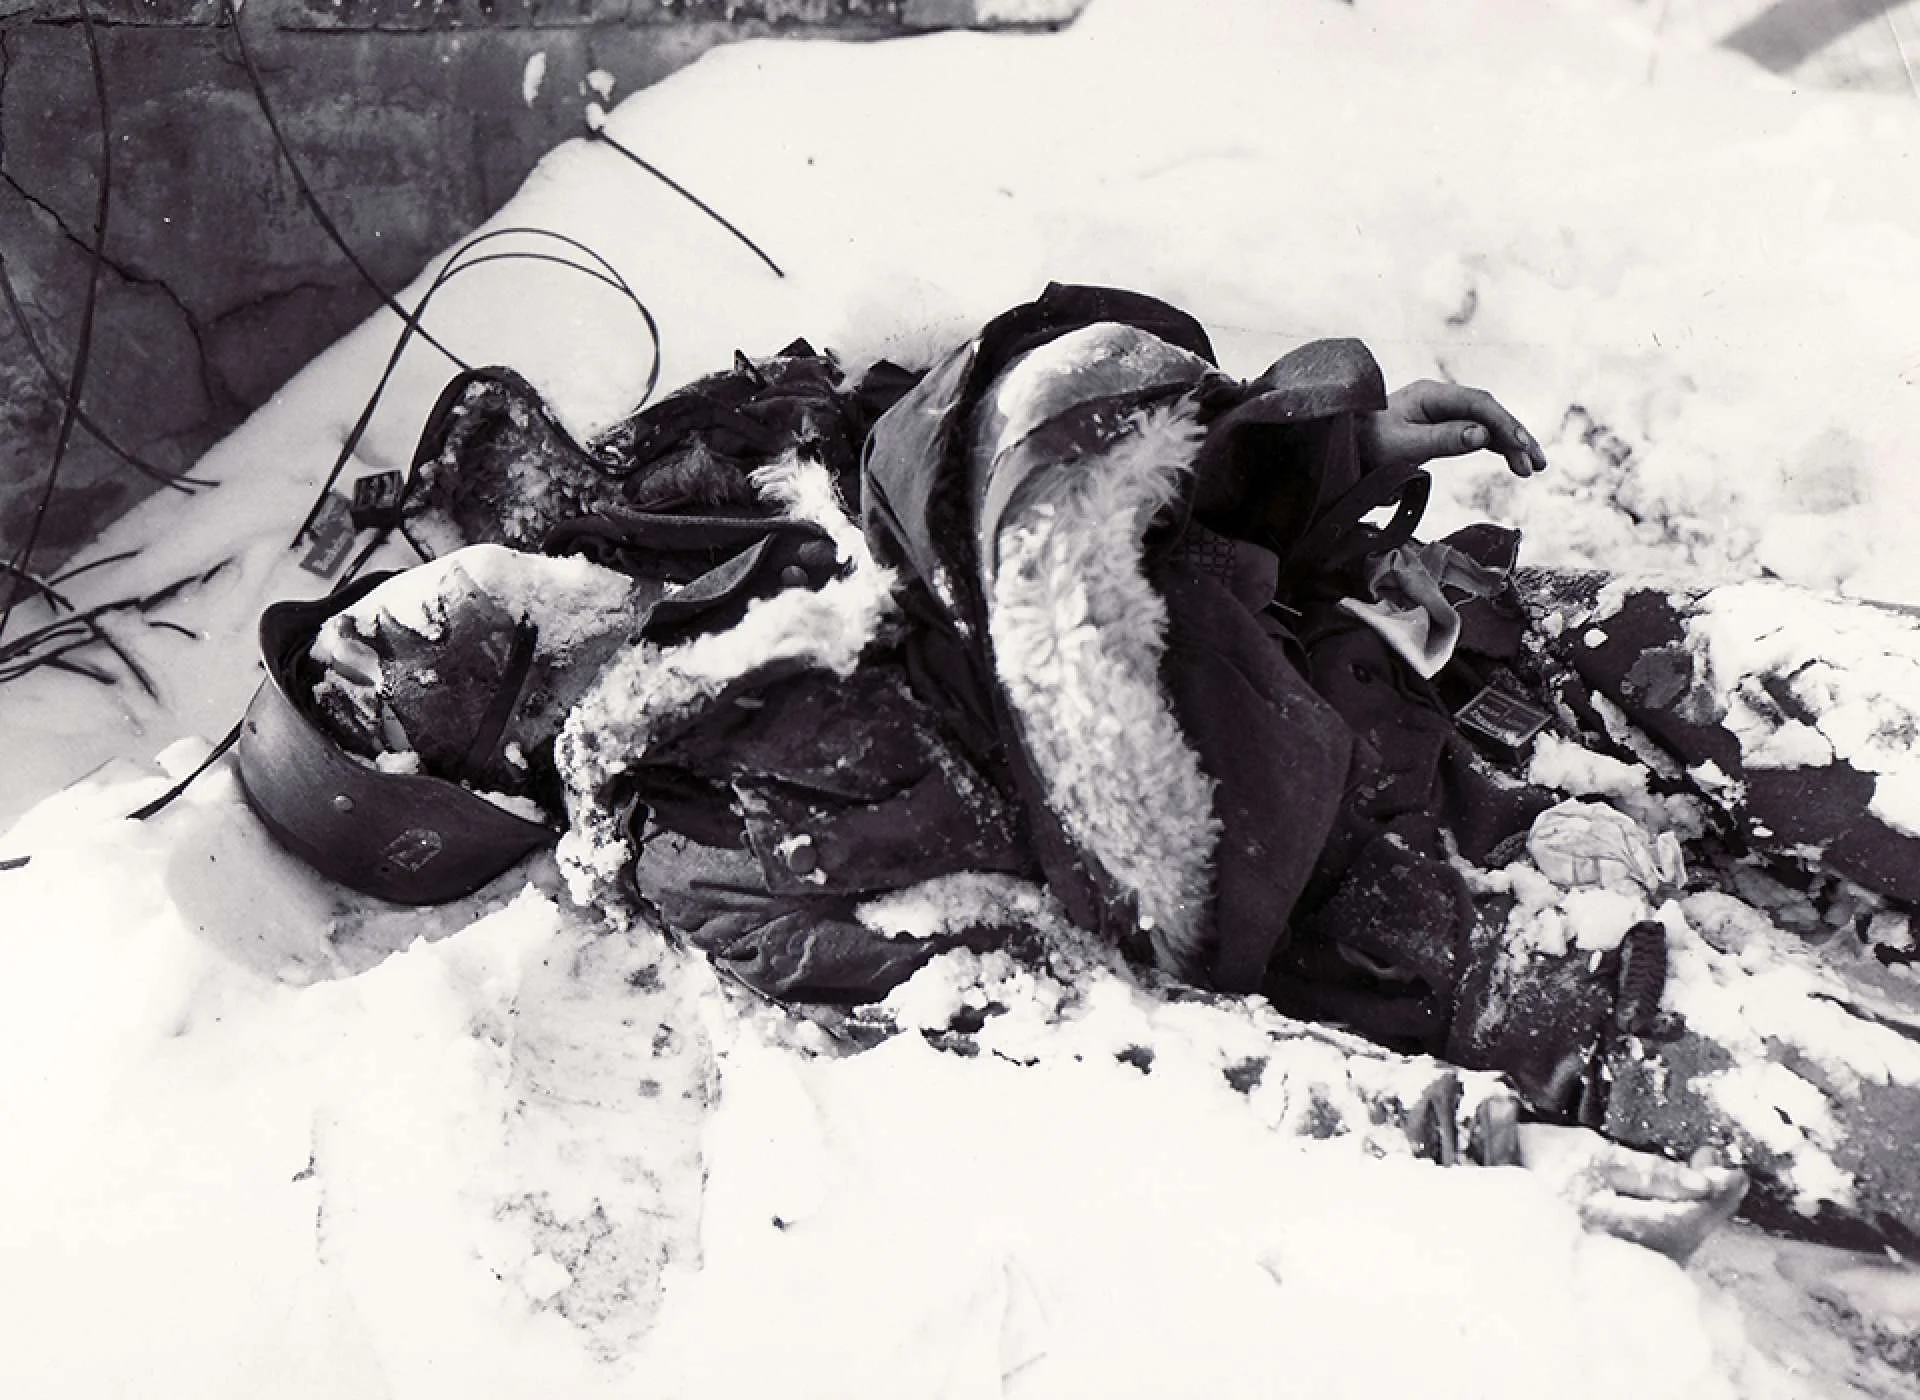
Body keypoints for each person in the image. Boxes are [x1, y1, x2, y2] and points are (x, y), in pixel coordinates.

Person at [239, 284, 1920, 1258]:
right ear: (473, 771)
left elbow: (1104, 471)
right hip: (1433, 909)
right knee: (1846, 1099)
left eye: (349, 631)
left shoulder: (718, 476)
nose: (378, 638)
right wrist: (1460, 1140)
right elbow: (1070, 1024)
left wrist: (1329, 448)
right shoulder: (722, 852)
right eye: (365, 704)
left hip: (1464, 638)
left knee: (1847, 699)